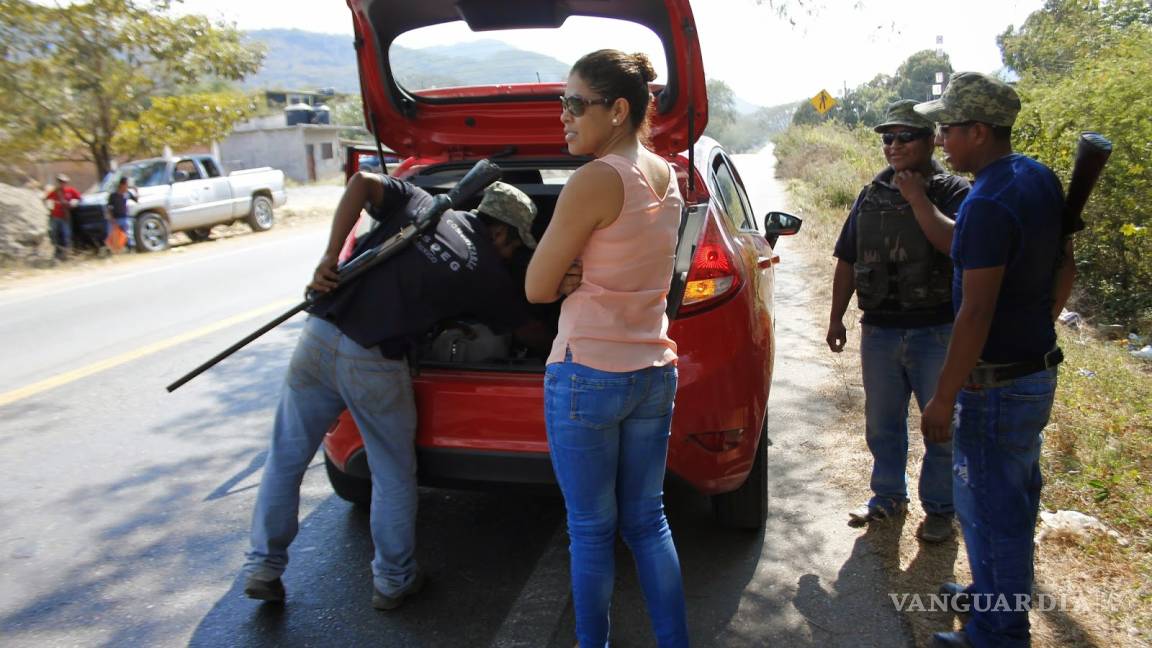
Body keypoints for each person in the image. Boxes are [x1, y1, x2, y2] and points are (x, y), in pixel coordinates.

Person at [241, 174, 541, 610]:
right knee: (392, 472)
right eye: (515, 246)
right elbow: (526, 330)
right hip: (374, 361)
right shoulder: (488, 273)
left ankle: (263, 567)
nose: (512, 256)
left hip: (319, 334)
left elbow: (360, 182)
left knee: (285, 457)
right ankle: (393, 580)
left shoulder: (419, 202)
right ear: (499, 231)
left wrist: (328, 257)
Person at [525, 49, 688, 648]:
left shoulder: (596, 178)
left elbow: (536, 287)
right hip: (653, 371)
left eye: (574, 104)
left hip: (587, 373)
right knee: (649, 522)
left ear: (618, 110)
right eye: (560, 102)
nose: (562, 116)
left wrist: (569, 272)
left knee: (592, 531)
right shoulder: (667, 176)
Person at [912, 72, 1078, 648]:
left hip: (998, 385)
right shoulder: (1034, 178)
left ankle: (999, 631)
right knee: (1011, 498)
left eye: (947, 129)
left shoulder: (987, 200)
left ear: (978, 131)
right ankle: (992, 596)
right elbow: (1065, 266)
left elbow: (975, 314)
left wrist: (943, 395)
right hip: (1032, 369)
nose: (940, 140)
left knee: (989, 506)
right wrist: (1035, 324)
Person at [827, 99, 970, 543]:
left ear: (931, 140)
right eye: (888, 137)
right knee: (882, 423)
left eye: (905, 136)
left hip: (938, 330)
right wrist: (836, 319)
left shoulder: (954, 192)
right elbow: (847, 261)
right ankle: (887, 497)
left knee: (940, 427)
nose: (894, 145)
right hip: (880, 330)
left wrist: (917, 198)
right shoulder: (871, 195)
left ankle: (941, 509)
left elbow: (959, 247)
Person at [43, 174, 81, 260]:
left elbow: (79, 198)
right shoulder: (55, 192)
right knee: (54, 234)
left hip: (65, 217)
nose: (62, 183)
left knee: (66, 235)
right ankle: (57, 252)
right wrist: (49, 209)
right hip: (55, 216)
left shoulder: (71, 191)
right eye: (60, 181)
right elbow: (45, 199)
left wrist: (73, 204)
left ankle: (66, 253)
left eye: (64, 182)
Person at [106, 176, 138, 252]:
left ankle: (131, 249)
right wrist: (111, 218)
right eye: (126, 184)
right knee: (113, 235)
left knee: (128, 234)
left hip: (125, 217)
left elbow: (136, 200)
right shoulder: (113, 195)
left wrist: (136, 191)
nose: (127, 186)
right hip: (115, 218)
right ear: (122, 185)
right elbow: (109, 207)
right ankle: (114, 250)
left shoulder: (127, 193)